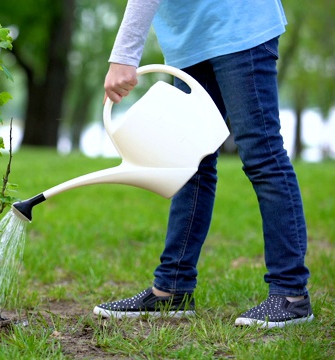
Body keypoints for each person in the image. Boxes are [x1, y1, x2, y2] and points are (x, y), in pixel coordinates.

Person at [93, 0, 314, 328]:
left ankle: (292, 295)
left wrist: (124, 55)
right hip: (189, 42)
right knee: (189, 163)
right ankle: (173, 288)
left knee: (262, 154)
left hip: (238, 26)